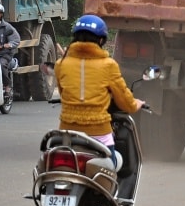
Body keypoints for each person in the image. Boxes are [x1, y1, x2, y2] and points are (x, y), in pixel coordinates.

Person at [55, 14, 144, 169]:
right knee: (114, 164)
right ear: (102, 40)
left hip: (68, 132)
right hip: (99, 133)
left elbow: (63, 95)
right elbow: (125, 103)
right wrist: (136, 104)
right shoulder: (108, 65)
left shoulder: (61, 64)